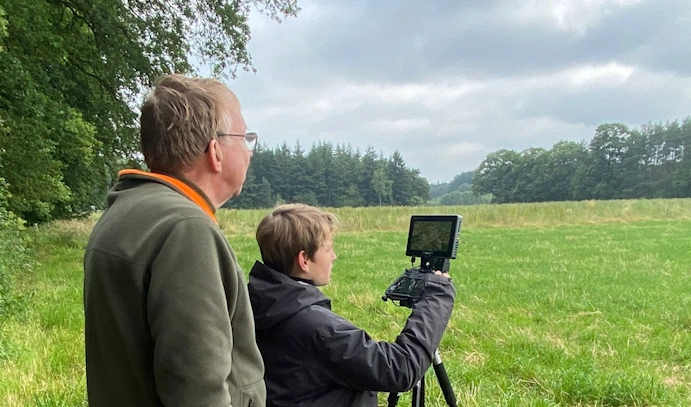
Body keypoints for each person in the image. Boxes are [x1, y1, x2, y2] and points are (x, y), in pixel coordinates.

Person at [84, 74, 266, 407]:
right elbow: (198, 391)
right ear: (216, 152)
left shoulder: (126, 211)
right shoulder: (186, 230)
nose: (249, 151)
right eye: (245, 137)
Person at [248, 203, 455, 407]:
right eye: (328, 248)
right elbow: (398, 369)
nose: (334, 256)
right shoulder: (313, 325)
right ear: (304, 260)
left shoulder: (253, 304)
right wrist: (436, 295)